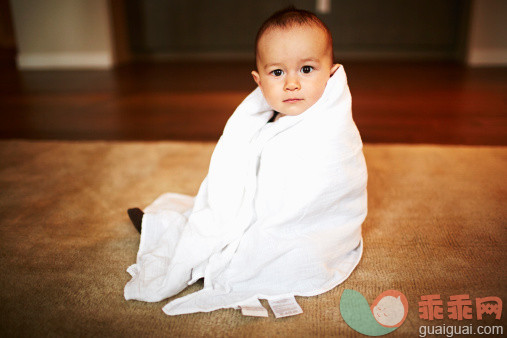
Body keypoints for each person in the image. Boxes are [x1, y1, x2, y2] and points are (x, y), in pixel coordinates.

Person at [125, 7, 367, 316]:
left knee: (272, 254)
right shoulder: (259, 122)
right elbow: (235, 173)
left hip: (308, 231)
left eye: (307, 69)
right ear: (259, 80)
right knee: (206, 225)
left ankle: (228, 258)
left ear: (331, 72)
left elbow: (330, 189)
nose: (291, 83)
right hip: (253, 209)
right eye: (277, 72)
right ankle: (189, 242)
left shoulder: (333, 130)